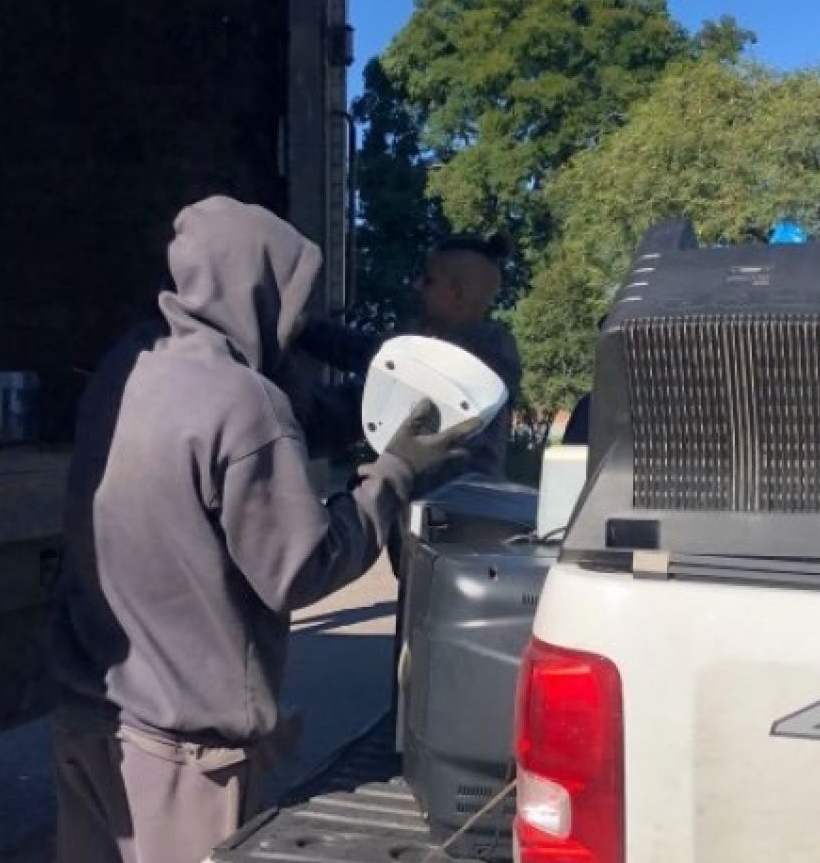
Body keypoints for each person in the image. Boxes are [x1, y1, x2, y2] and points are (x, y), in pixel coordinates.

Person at [49, 196, 479, 863]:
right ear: (262, 288)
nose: (299, 317)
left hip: (91, 718)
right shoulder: (245, 403)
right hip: (182, 755)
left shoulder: (131, 364)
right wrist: (394, 472)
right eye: (295, 296)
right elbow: (302, 568)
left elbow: (242, 447)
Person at [295, 233, 522, 478]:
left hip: (445, 508)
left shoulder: (451, 363)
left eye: (428, 280)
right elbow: (366, 351)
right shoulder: (471, 351)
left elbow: (346, 407)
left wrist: (276, 414)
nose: (416, 285)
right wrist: (304, 327)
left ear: (457, 293)